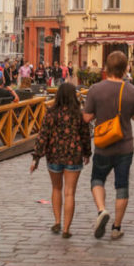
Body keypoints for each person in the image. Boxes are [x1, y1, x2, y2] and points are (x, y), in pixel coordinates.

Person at [82, 51, 134, 241]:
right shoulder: (133, 91)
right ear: (126, 69)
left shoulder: (95, 90)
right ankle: (116, 227)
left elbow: (86, 117)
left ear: (106, 67)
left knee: (97, 179)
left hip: (103, 144)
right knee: (122, 186)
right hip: (125, 145)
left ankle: (102, 210)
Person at [31, 82, 92, 238]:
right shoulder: (79, 114)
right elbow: (85, 135)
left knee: (56, 188)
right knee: (70, 193)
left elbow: (42, 136)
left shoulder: (51, 113)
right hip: (73, 155)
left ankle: (57, 221)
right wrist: (87, 153)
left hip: (54, 155)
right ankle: (66, 229)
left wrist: (36, 157)